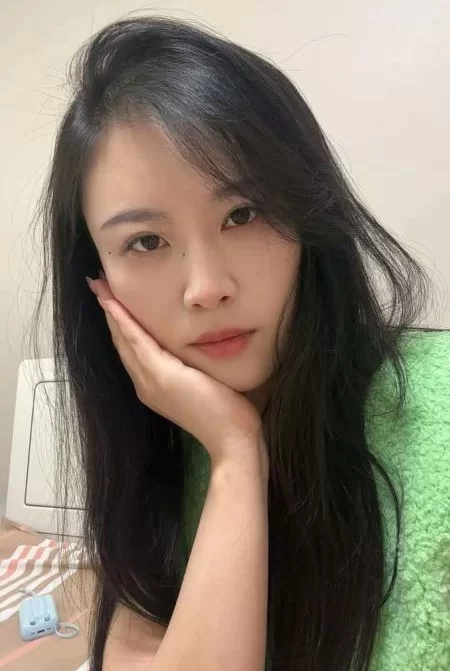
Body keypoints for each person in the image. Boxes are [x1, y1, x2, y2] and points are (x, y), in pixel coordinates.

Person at [30, 15, 449, 671]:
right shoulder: (157, 445)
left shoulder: (434, 418)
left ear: (308, 213)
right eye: (146, 241)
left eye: (243, 214)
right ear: (98, 277)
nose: (206, 287)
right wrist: (234, 452)